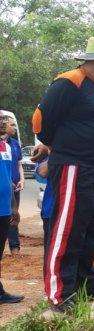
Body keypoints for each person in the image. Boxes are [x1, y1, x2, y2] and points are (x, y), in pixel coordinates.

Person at [31, 36, 94, 311]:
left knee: (91, 231)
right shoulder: (69, 81)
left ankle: (85, 284)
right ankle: (59, 293)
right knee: (67, 231)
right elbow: (41, 121)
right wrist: (56, 148)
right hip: (74, 167)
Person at [0, 116, 22, 304]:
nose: (11, 126)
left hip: (5, 208)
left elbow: (8, 178)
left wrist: (14, 207)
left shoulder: (6, 147)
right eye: (9, 123)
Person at [1, 117, 24, 256]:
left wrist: (14, 207)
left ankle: (13, 247)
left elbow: (8, 175)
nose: (3, 123)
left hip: (6, 203)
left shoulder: (8, 147)